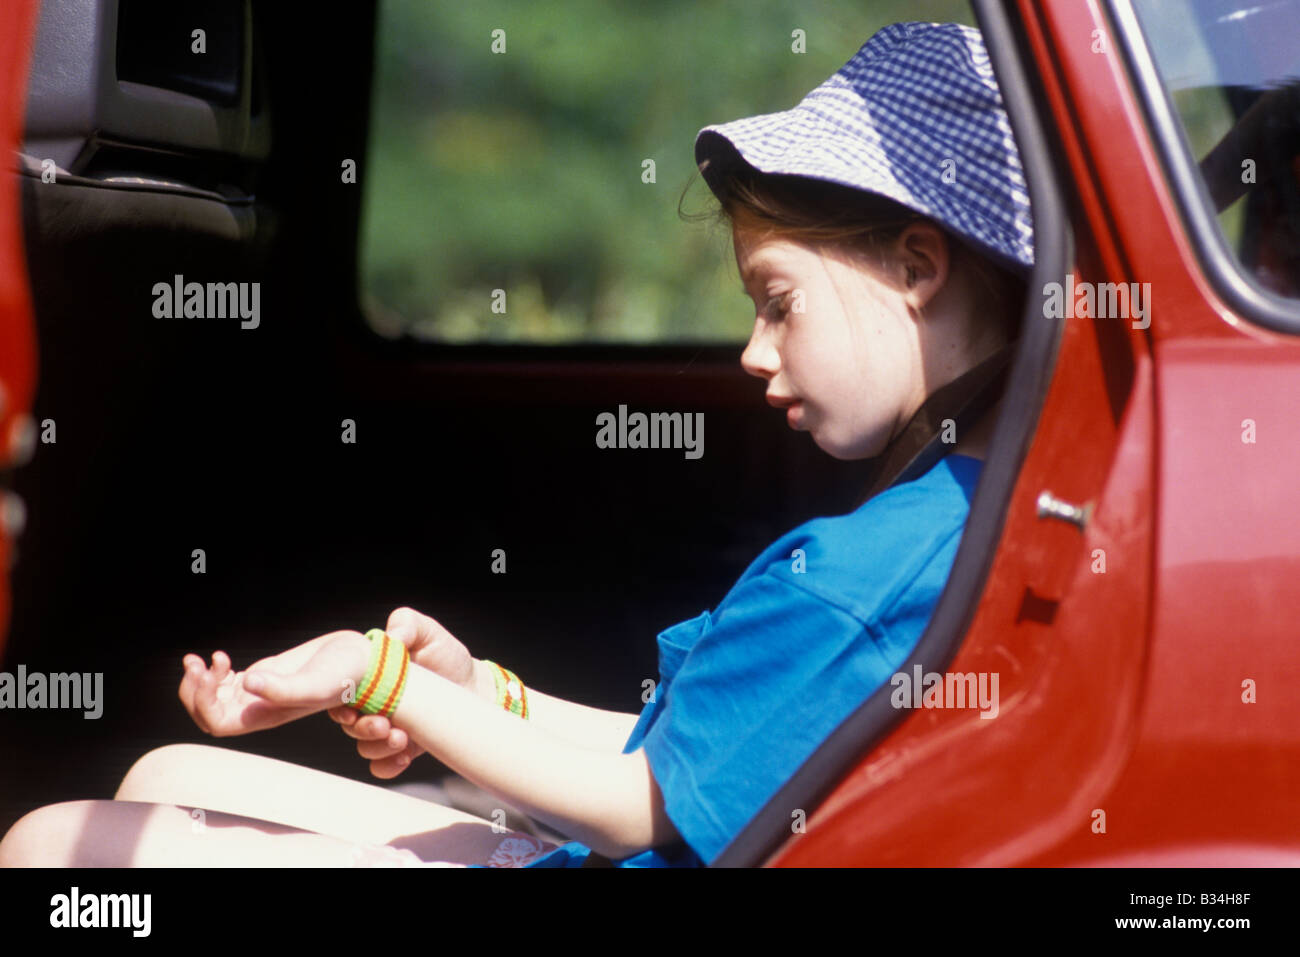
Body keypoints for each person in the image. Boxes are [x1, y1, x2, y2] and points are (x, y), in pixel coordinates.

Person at [0, 21, 1032, 868]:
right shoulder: (950, 531)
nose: (754, 353)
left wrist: (378, 679)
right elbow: (684, 758)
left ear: (915, 268)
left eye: (777, 303)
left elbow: (634, 807)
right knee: (164, 778)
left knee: (57, 846)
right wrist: (479, 693)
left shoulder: (857, 576)